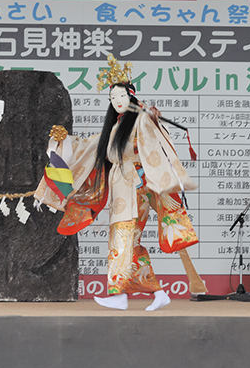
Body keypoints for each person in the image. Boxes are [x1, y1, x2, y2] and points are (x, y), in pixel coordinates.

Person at [34, 55, 199, 311]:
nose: (117, 101)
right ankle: (157, 293)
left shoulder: (140, 120)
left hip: (135, 190)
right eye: (112, 98)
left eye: (121, 96)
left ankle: (119, 295)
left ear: (131, 97)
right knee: (129, 244)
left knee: (121, 240)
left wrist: (152, 117)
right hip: (123, 190)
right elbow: (87, 147)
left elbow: (154, 134)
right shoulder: (114, 129)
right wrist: (63, 142)